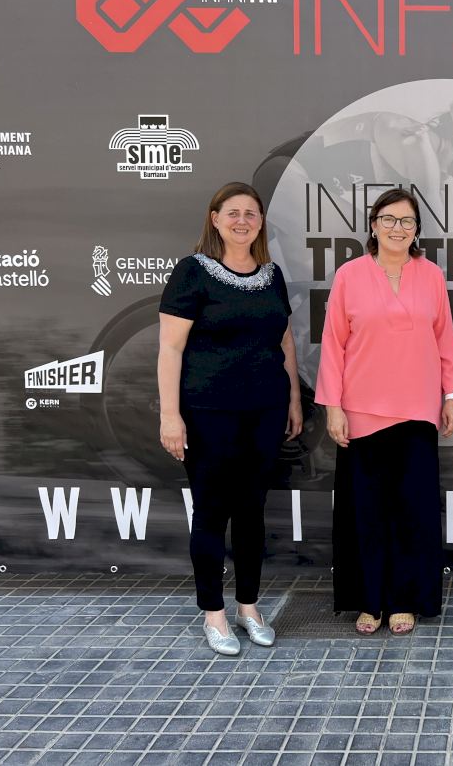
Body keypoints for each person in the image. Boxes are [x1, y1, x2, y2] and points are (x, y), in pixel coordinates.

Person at [158, 182, 303, 656]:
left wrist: (293, 399)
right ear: (215, 219)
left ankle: (248, 607)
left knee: (251, 512)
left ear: (261, 222)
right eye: (233, 213)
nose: (243, 221)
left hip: (265, 411)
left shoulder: (271, 276)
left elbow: (284, 340)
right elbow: (170, 348)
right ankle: (214, 613)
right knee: (211, 512)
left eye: (251, 213)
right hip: (208, 413)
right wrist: (170, 416)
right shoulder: (192, 272)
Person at [316, 188, 453, 635]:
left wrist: (451, 395)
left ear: (417, 230)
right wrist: (333, 407)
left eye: (407, 221)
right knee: (367, 513)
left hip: (418, 411)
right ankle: (370, 600)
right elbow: (333, 344)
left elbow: (445, 340)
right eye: (389, 219)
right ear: (373, 225)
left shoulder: (431, 275)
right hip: (361, 412)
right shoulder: (349, 275)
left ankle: (404, 600)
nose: (398, 228)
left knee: (411, 511)